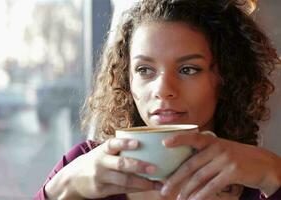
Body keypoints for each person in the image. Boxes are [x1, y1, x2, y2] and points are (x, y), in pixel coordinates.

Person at [34, 0, 281, 199]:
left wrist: (273, 174)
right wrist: (61, 189)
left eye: (188, 69)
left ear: (225, 77)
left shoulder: (260, 179)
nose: (163, 90)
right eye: (144, 70)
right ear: (126, 79)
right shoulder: (80, 166)